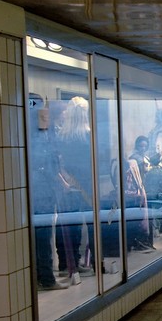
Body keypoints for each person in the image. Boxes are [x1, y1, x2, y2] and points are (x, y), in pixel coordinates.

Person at [54, 96, 94, 286]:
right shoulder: (88, 134)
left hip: (67, 184)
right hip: (85, 184)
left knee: (69, 226)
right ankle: (84, 261)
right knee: (86, 225)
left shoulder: (62, 135)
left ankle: (67, 263)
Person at [28, 95, 66, 290]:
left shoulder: (23, 125)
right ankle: (46, 277)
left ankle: (40, 276)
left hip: (35, 186)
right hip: (42, 187)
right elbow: (49, 158)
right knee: (43, 235)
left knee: (37, 235)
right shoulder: (42, 126)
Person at [125, 136, 155, 252]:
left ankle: (146, 240)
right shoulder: (135, 158)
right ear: (137, 146)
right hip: (137, 189)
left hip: (145, 187)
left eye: (145, 146)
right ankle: (141, 241)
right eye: (141, 146)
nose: (143, 148)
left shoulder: (143, 157)